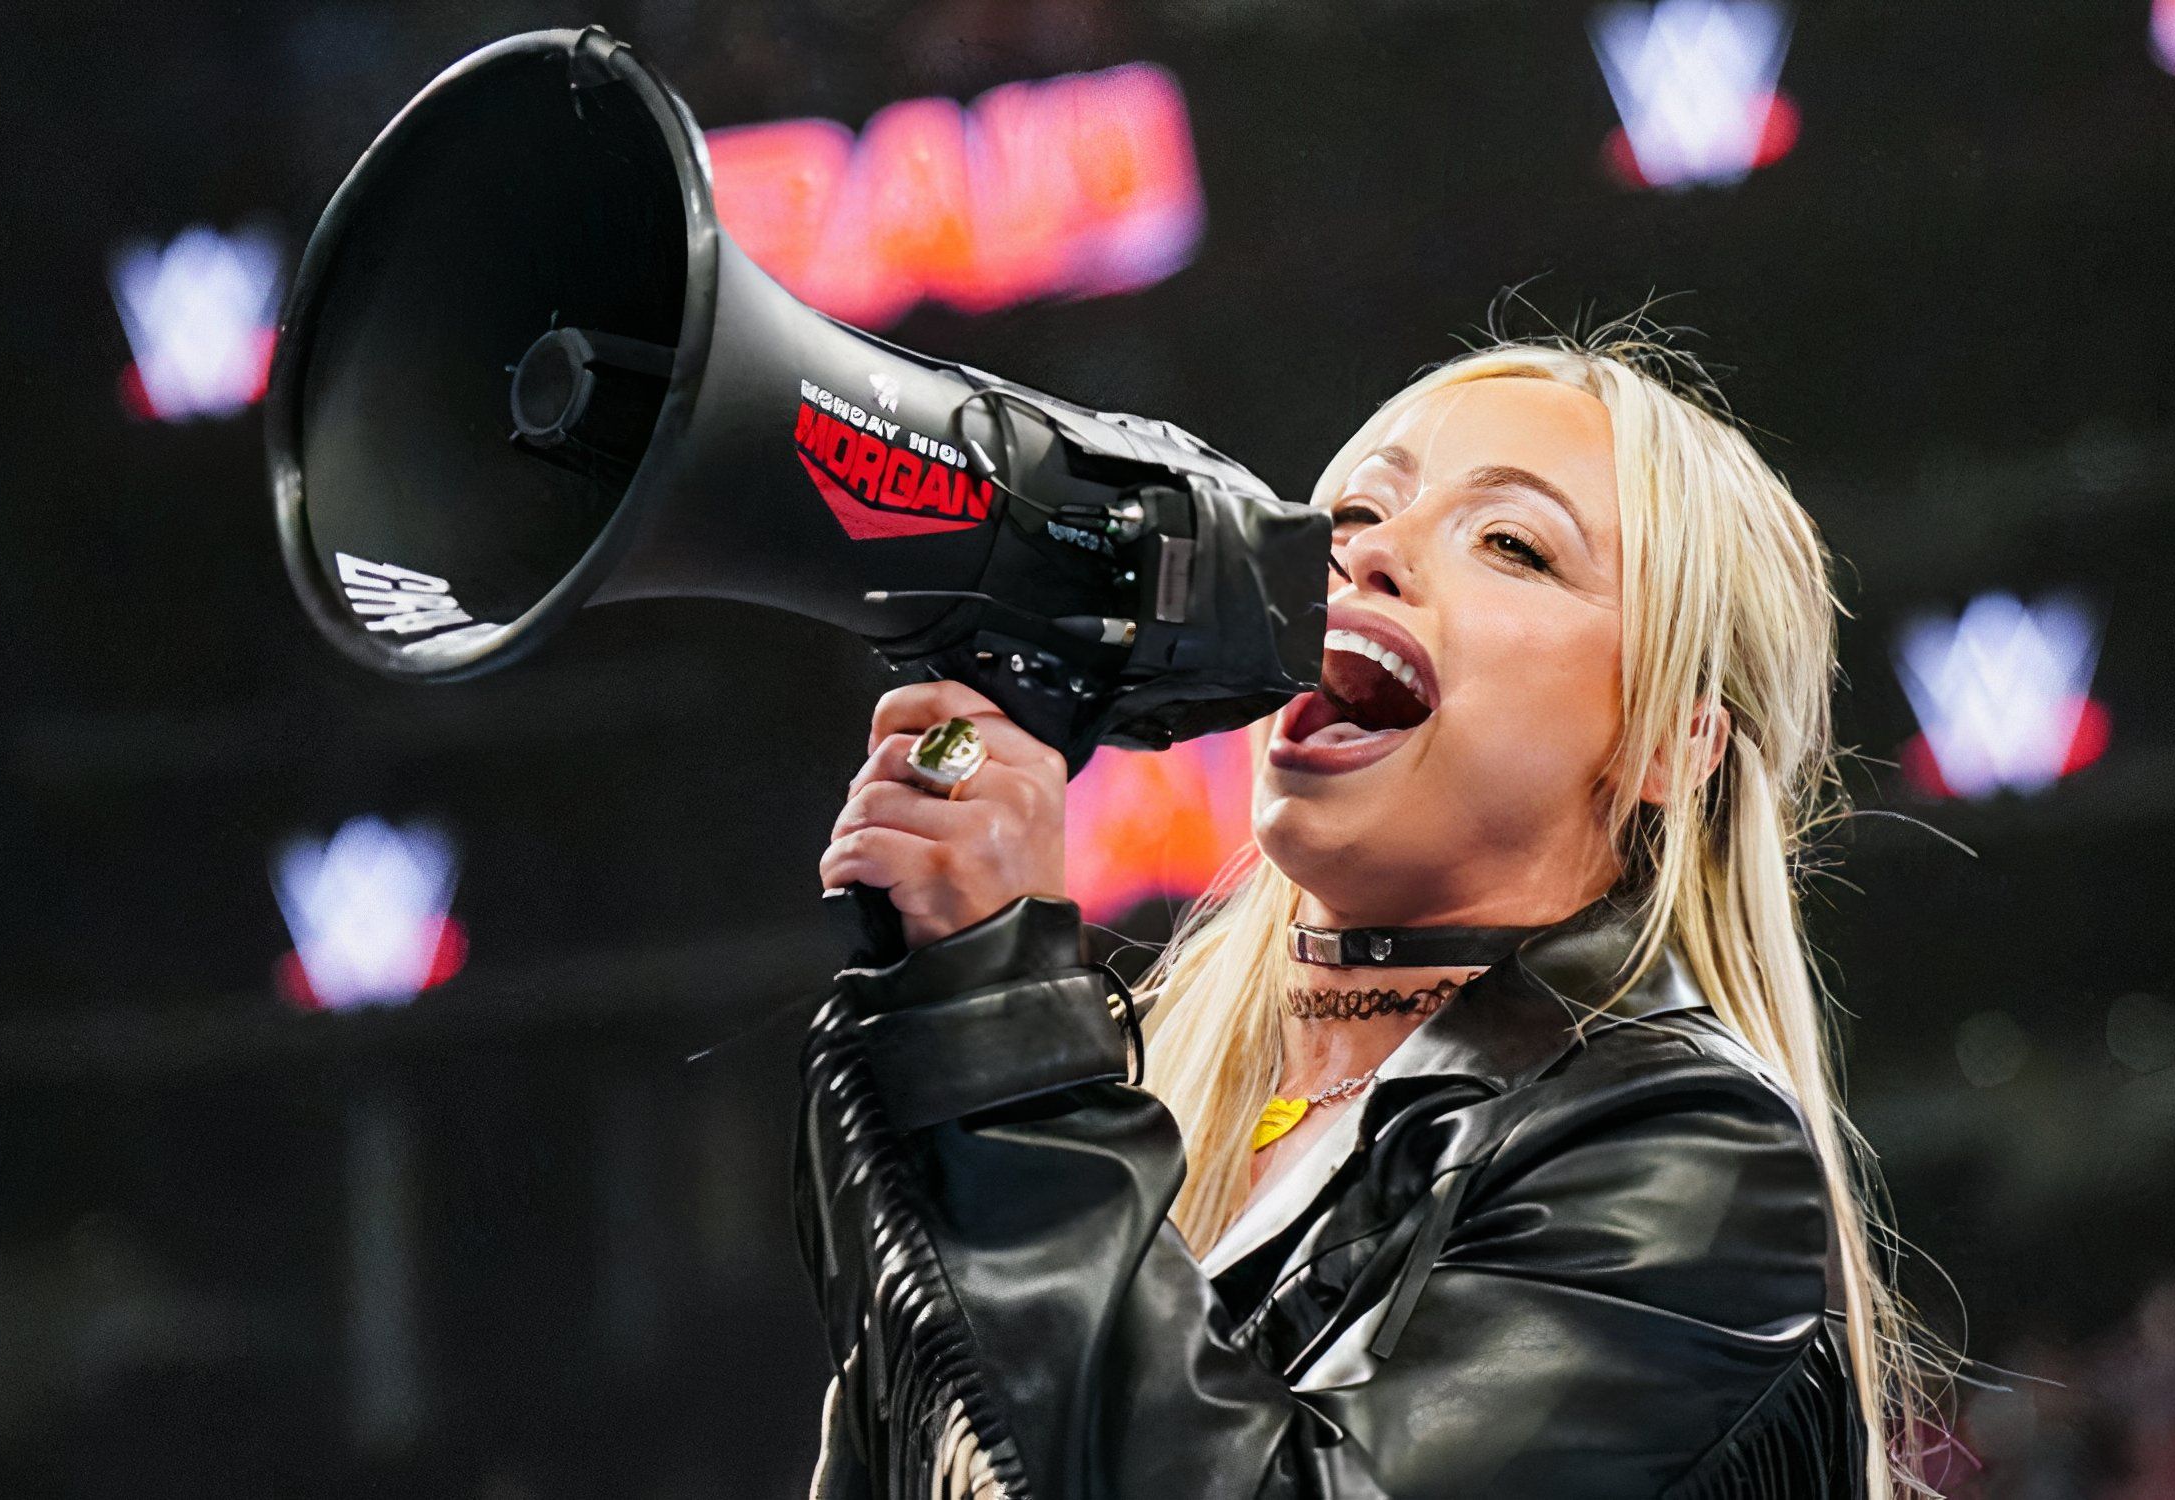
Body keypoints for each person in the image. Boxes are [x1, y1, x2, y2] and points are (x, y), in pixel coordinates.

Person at [797, 330, 1934, 1498]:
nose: (1368, 555)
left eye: (1512, 544)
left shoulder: (1696, 1161)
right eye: (1351, 515)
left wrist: (998, 1031)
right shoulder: (1148, 1100)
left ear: (1668, 742)